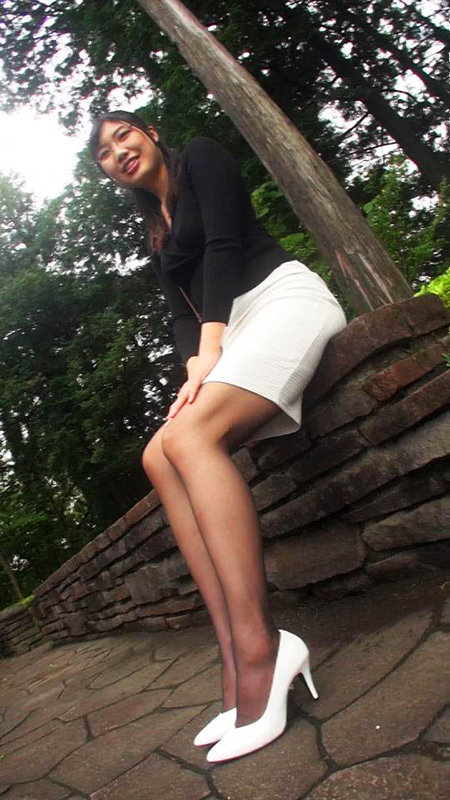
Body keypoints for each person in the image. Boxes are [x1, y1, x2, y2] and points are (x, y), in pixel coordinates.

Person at [89, 110, 347, 763]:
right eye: (105, 152)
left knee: (191, 439)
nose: (119, 151)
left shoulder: (200, 155)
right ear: (107, 172)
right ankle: (233, 655)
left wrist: (209, 354)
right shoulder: (156, 229)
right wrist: (191, 371)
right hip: (227, 333)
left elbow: (226, 249)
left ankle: (263, 647)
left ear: (151, 134)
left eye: (124, 135)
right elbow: (180, 314)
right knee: (159, 454)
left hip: (281, 301)